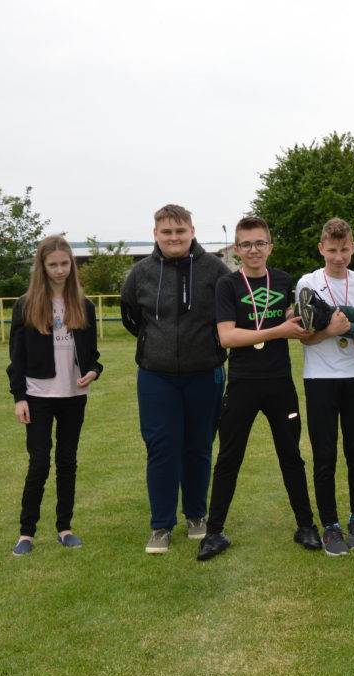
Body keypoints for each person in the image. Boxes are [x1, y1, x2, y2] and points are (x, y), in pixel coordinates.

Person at [197, 216, 320, 561]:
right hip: (242, 383)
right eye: (247, 244)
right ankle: (214, 533)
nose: (254, 250)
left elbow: (291, 317)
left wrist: (302, 318)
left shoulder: (282, 280)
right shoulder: (227, 284)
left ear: (270, 247)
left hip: (280, 382)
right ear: (237, 249)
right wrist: (279, 331)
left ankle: (306, 526)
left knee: (291, 455)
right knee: (229, 457)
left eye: (260, 243)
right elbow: (227, 337)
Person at [121, 204, 229, 554]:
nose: (174, 237)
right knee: (162, 448)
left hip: (206, 372)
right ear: (155, 234)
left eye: (180, 231)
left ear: (192, 232)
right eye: (166, 232)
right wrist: (156, 344)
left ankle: (196, 515)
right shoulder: (141, 273)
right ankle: (161, 525)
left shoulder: (215, 269)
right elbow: (130, 316)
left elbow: (228, 313)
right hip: (156, 375)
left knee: (199, 446)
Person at [7, 235, 102, 556]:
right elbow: (16, 357)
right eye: (53, 265)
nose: (60, 270)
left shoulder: (84, 306)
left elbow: (92, 356)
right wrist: (19, 397)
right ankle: (26, 534)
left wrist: (93, 371)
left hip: (73, 396)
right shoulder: (26, 305)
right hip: (37, 396)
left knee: (67, 462)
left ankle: (65, 528)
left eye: (64, 264)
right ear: (42, 267)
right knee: (39, 464)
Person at [295, 218, 354, 556]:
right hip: (319, 378)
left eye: (344, 250)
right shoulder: (308, 283)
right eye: (332, 250)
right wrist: (331, 331)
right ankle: (330, 525)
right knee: (325, 456)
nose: (338, 257)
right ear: (321, 249)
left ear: (352, 248)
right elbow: (305, 337)